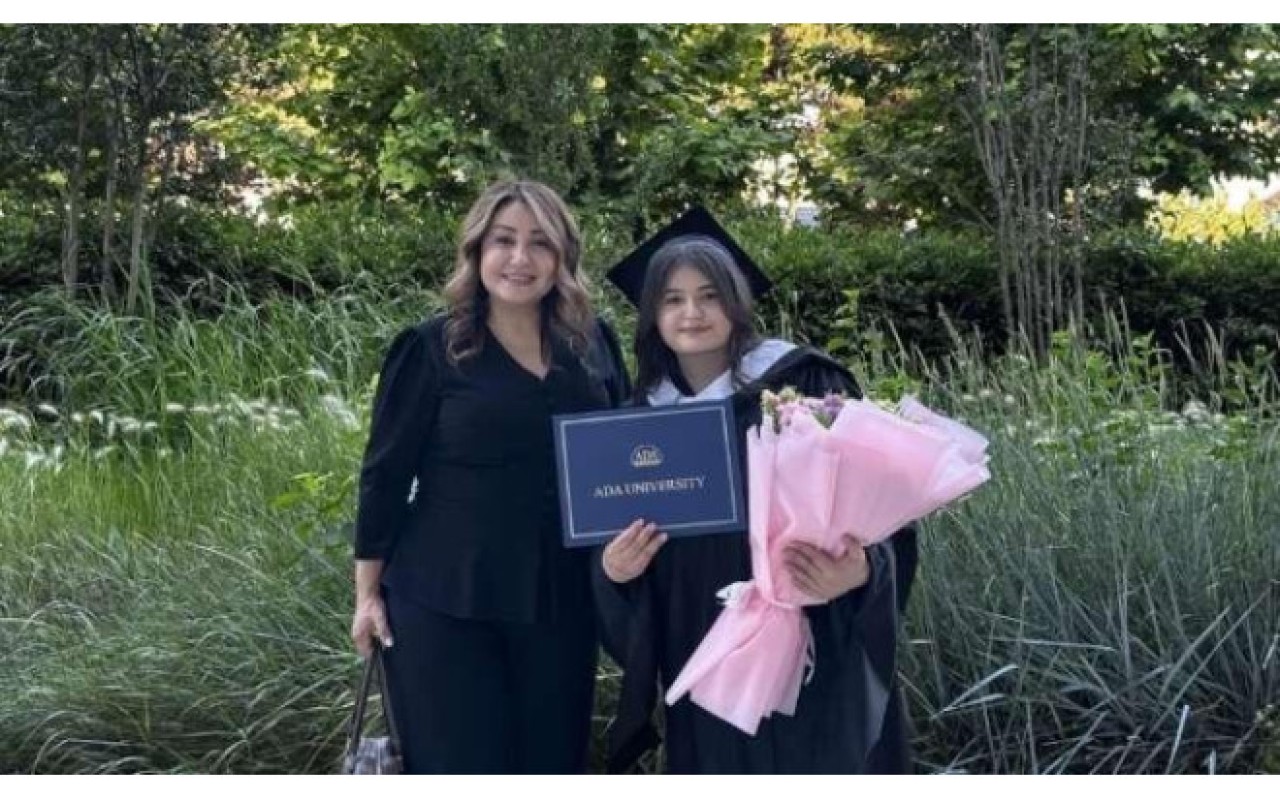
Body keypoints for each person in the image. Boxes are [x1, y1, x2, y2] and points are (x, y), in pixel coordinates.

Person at [592, 206, 918, 774]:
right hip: (704, 651)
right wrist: (614, 572)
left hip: (813, 639)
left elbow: (887, 512)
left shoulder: (807, 383)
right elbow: (610, 559)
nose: (692, 313)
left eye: (709, 295)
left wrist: (863, 571)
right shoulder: (636, 426)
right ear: (652, 315)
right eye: (672, 299)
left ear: (736, 301)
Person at [350, 179, 630, 773]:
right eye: (503, 240)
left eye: (539, 243)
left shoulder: (593, 344)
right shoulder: (430, 348)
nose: (520, 258)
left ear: (563, 256)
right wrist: (366, 596)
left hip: (562, 602)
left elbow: (624, 454)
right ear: (477, 250)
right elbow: (384, 477)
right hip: (446, 601)